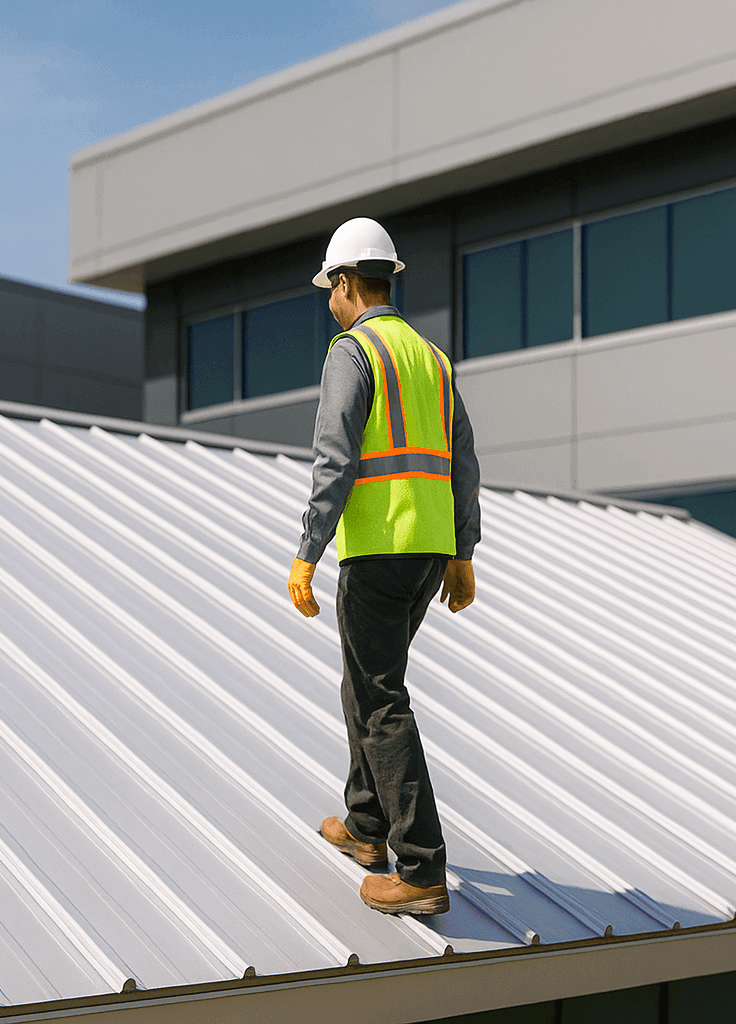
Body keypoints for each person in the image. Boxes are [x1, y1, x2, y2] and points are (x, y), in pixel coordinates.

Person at [285, 218, 480, 916]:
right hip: (427, 554)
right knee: (365, 684)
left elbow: (333, 460)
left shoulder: (353, 350)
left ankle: (422, 868)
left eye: (328, 288)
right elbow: (464, 461)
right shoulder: (431, 357)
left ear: (344, 284)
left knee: (380, 697)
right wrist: (462, 553)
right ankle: (367, 828)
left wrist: (308, 552)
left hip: (378, 551)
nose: (328, 301)